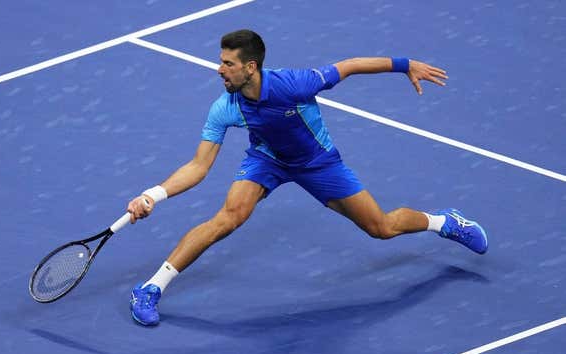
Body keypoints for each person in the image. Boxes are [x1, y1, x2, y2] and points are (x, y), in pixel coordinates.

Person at [126, 29, 488, 326]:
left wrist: (405, 65)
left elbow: (348, 66)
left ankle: (444, 222)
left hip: (318, 162)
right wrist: (152, 195)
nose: (219, 70)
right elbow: (198, 166)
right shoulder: (226, 107)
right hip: (266, 159)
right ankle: (151, 288)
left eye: (227, 63)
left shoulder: (294, 84)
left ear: (250, 67)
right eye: (221, 61)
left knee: (381, 227)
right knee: (228, 218)